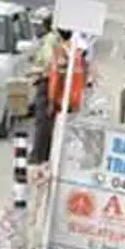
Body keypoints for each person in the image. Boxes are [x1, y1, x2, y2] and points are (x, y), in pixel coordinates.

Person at [35, 27, 88, 164]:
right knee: (63, 131)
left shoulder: (61, 53)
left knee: (46, 127)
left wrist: (51, 102)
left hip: (61, 99)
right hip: (71, 100)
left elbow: (55, 80)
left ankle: (42, 157)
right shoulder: (76, 56)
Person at [29, 11, 60, 164]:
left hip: (47, 83)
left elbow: (49, 64)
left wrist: (35, 73)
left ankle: (38, 156)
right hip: (53, 83)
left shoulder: (50, 40)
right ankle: (45, 154)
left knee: (42, 121)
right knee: (48, 122)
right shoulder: (56, 39)